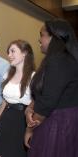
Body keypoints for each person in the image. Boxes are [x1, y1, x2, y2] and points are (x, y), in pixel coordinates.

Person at [25, 19, 78, 157]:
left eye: (41, 34)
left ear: (53, 37)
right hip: (61, 119)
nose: (39, 39)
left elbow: (48, 101)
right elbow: (41, 92)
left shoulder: (58, 60)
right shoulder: (65, 59)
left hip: (58, 123)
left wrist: (29, 129)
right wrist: (30, 108)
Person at [0, 40, 35, 157]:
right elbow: (5, 100)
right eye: (8, 52)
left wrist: (31, 128)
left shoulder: (33, 76)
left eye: (13, 51)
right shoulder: (8, 73)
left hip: (22, 121)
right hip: (6, 118)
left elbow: (37, 102)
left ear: (24, 53)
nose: (9, 55)